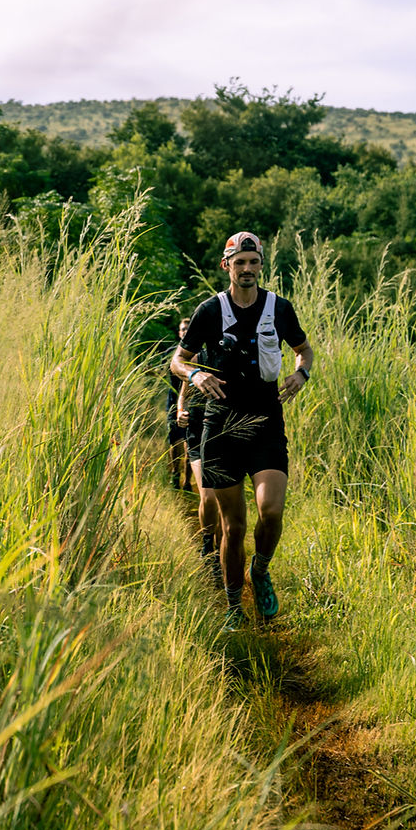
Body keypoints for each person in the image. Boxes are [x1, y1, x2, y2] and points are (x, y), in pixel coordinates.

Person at [171, 232, 313, 631]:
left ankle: (261, 571)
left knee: (271, 511)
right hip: (220, 427)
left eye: (253, 261)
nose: (247, 269)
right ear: (226, 265)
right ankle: (233, 605)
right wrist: (196, 374)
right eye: (240, 262)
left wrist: (301, 373)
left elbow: (305, 349)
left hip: (266, 422)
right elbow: (177, 361)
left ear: (261, 264)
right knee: (232, 526)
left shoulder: (279, 308)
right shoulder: (209, 311)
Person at [175, 350, 222, 584]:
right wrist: (180, 412)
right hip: (197, 432)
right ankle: (207, 546)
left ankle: (224, 555)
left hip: (226, 432)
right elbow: (183, 393)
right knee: (209, 496)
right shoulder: (196, 357)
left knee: (226, 503)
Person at [165, 318, 193, 491]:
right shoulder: (172, 352)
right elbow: (160, 370)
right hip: (172, 402)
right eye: (182, 329)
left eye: (188, 329)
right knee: (174, 441)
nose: (184, 332)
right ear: (179, 332)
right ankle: (175, 473)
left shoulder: (198, 352)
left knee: (189, 443)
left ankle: (187, 481)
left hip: (191, 403)